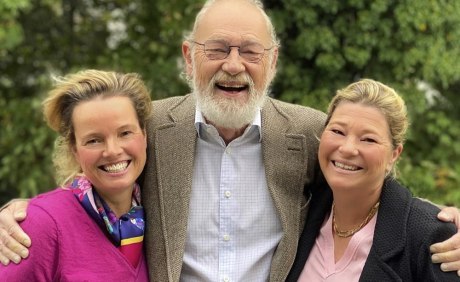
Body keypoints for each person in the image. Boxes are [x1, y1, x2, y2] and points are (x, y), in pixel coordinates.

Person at [1, 1, 460, 281]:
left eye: (250, 51)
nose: (234, 65)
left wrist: (438, 223)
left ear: (273, 61)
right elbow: (98, 170)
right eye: (216, 49)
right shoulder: (147, 128)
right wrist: (18, 215)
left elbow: (362, 172)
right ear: (188, 57)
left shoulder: (309, 130)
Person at [287, 79, 458, 281]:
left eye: (368, 139)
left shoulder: (429, 236)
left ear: (394, 154)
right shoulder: (300, 209)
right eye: (337, 132)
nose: (347, 148)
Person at [0, 69, 152, 281]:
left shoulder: (157, 218)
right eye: (94, 140)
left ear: (144, 134)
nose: (113, 150)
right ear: (74, 149)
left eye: (125, 133)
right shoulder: (42, 224)